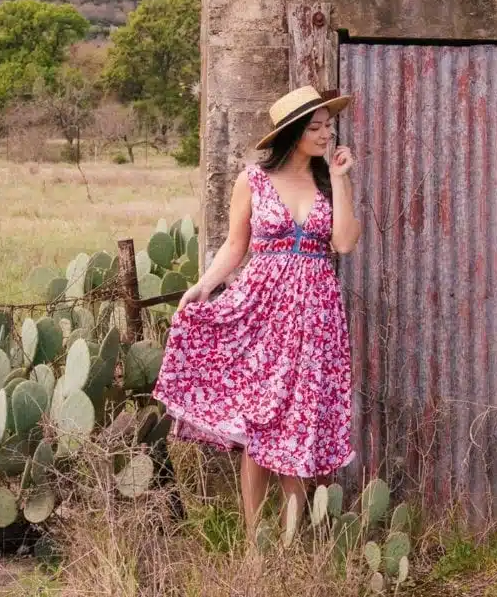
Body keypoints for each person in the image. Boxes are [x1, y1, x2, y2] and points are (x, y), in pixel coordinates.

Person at [152, 85, 361, 544]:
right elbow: (235, 244)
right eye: (317, 127)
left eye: (329, 125)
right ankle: (254, 543)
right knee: (260, 424)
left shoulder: (329, 182)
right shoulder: (253, 180)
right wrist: (204, 285)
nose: (328, 133)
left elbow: (344, 243)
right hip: (261, 311)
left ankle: (289, 544)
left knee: (299, 421)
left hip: (315, 314)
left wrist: (342, 179)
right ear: (293, 133)